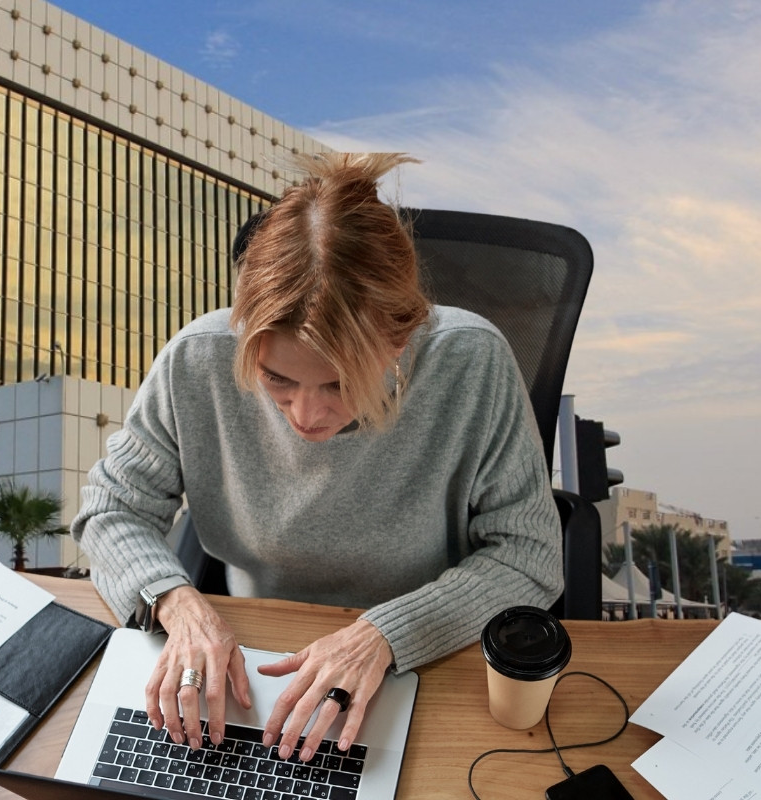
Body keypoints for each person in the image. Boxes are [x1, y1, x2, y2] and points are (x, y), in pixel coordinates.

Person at [71, 152, 562, 765]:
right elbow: (111, 508)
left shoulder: (471, 361)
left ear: (402, 337)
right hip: (251, 650)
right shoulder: (197, 359)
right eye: (277, 379)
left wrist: (383, 635)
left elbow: (530, 555)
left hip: (425, 653)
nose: (305, 415)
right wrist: (175, 601)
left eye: (338, 384)